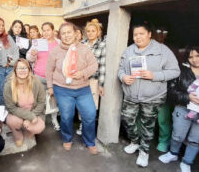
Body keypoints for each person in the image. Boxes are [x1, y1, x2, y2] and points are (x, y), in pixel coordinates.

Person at [118, 21, 180, 167]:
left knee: (148, 125)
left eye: (141, 34)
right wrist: (123, 77)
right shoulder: (129, 51)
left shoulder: (162, 50)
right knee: (127, 120)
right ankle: (135, 142)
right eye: (135, 34)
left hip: (153, 97)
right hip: (131, 95)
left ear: (149, 34)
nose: (138, 37)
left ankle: (144, 152)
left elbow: (175, 71)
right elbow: (120, 69)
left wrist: (155, 75)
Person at [46, 22, 98, 154]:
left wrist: (83, 73)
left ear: (75, 34)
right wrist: (50, 87)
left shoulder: (84, 49)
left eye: (69, 32)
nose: (66, 35)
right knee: (66, 116)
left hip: (83, 89)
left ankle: (89, 141)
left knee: (90, 114)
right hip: (62, 89)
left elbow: (94, 65)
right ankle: (67, 139)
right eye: (63, 33)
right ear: (60, 35)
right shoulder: (55, 51)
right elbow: (49, 70)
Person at [159, 46, 199, 172]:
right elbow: (172, 91)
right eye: (191, 57)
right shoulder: (182, 72)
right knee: (177, 135)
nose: (195, 59)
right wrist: (188, 97)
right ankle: (173, 154)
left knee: (195, 139)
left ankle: (187, 161)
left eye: (197, 56)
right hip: (183, 108)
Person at [4, 59, 46, 147]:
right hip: (16, 114)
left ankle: (28, 130)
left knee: (38, 128)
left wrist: (31, 116)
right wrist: (30, 117)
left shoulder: (36, 82)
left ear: (29, 70)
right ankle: (17, 133)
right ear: (15, 70)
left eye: (25, 68)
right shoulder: (8, 85)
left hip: (34, 112)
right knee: (14, 122)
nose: (22, 70)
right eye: (19, 68)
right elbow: (11, 107)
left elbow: (41, 102)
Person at [26, 22, 60, 131]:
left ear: (53, 31)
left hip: (54, 78)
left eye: (48, 30)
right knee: (39, 101)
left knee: (53, 101)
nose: (46, 32)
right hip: (39, 76)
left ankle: (54, 119)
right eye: (44, 30)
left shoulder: (59, 43)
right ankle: (41, 121)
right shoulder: (38, 42)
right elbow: (29, 58)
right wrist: (33, 54)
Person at [76, 19, 106, 136]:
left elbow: (103, 66)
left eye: (93, 31)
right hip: (81, 79)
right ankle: (82, 123)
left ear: (98, 32)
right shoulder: (81, 44)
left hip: (93, 80)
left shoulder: (102, 45)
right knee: (80, 103)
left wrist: (101, 84)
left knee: (91, 104)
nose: (90, 33)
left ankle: (88, 127)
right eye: (88, 31)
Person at [0, 17, 19, 105]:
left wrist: (10, 63)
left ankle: (13, 111)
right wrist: (2, 63)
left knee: (13, 91)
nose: (1, 27)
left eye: (3, 25)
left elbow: (15, 51)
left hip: (10, 69)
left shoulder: (8, 37)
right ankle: (4, 114)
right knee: (2, 92)